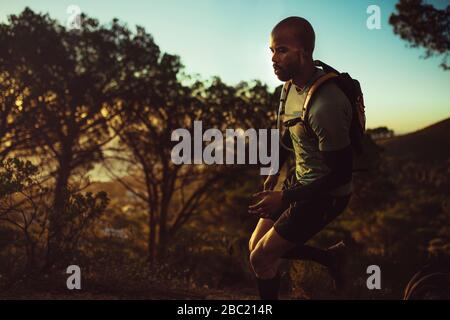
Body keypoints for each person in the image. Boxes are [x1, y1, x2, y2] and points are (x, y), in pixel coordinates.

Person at [248, 16, 353, 300]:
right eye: (271, 50)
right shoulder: (291, 86)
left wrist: (285, 197)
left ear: (303, 52)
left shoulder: (325, 105)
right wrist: (276, 168)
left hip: (326, 194)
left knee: (261, 260)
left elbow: (341, 174)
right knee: (255, 246)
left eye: (281, 50)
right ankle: (332, 258)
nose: (273, 58)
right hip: (301, 182)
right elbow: (291, 133)